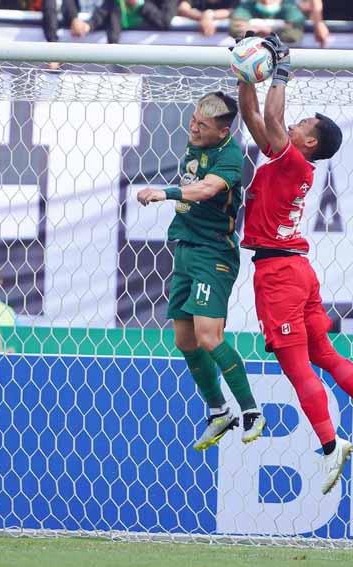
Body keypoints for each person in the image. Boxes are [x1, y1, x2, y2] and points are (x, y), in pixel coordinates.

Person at [234, 33, 353, 494]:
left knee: (296, 366)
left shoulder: (293, 163)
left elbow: (269, 114)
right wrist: (244, 74)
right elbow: (252, 115)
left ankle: (332, 445)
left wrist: (281, 68)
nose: (293, 123)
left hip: (279, 275)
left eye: (302, 122)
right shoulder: (286, 160)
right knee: (324, 353)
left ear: (308, 141)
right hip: (298, 270)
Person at [136, 92, 265, 451]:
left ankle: (251, 410)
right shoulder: (199, 145)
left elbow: (207, 189)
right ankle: (219, 410)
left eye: (202, 125)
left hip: (214, 255)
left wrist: (167, 193)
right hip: (186, 252)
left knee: (209, 335)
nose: (192, 127)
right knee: (185, 340)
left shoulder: (231, 156)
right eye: (193, 120)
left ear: (224, 131)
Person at [71, 0, 178, 44]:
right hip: (117, 55)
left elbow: (164, 21)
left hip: (152, 58)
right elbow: (104, 11)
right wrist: (87, 25)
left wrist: (139, 4)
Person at [230, 0, 318, 45]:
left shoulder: (289, 7)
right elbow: (236, 29)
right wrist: (281, 27)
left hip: (283, 59)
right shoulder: (248, 5)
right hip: (251, 58)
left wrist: (269, 31)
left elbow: (294, 34)